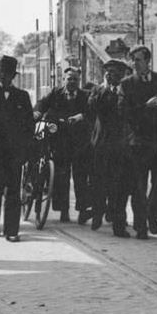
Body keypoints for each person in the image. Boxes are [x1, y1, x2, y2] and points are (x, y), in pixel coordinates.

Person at [117, 45, 157, 237]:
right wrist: (146, 106)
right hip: (139, 140)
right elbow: (123, 112)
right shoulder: (126, 84)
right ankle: (141, 225)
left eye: (138, 60)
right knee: (139, 185)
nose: (135, 63)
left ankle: (152, 211)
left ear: (148, 61)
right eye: (132, 60)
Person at [0, 55, 35, 242]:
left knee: (13, 193)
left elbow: (29, 127)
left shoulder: (22, 97)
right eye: (2, 72)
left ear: (13, 75)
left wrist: (25, 151)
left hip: (14, 154)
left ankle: (12, 230)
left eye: (8, 73)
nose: (4, 76)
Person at [33, 67, 90, 223]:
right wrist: (37, 112)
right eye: (69, 78)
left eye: (75, 79)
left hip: (79, 142)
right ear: (63, 80)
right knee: (61, 177)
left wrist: (82, 116)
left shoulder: (85, 96)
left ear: (79, 81)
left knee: (80, 177)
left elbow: (92, 112)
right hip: (60, 141)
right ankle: (63, 210)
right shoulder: (55, 94)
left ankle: (82, 210)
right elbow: (41, 103)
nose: (71, 81)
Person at [86, 58, 131, 233]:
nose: (110, 75)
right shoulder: (98, 90)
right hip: (101, 144)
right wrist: (105, 88)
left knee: (119, 185)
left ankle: (118, 222)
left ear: (121, 75)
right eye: (108, 72)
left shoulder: (126, 91)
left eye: (114, 72)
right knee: (99, 182)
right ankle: (98, 214)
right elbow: (92, 108)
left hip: (120, 144)